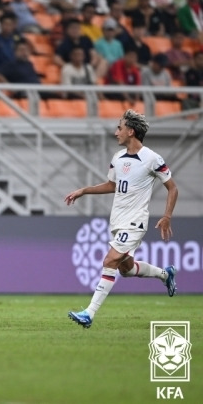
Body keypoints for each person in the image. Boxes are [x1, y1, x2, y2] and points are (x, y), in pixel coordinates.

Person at [65, 109, 178, 329]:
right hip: (117, 222)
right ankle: (166, 275)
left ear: (131, 131)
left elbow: (172, 189)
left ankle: (89, 313)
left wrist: (167, 216)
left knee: (109, 261)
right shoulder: (117, 158)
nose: (116, 132)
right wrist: (84, 190)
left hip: (135, 222)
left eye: (119, 127)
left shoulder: (152, 159)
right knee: (125, 270)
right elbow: (113, 186)